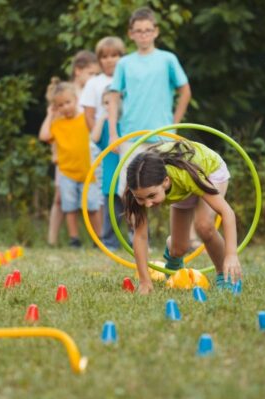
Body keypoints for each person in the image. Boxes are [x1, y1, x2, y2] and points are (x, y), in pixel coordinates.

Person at [124, 140, 242, 295]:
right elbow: (140, 236)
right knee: (179, 248)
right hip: (181, 186)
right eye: (141, 198)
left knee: (204, 226)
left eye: (152, 196)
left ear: (165, 182)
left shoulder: (185, 175)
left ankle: (223, 275)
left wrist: (231, 254)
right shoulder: (139, 187)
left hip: (209, 171)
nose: (147, 204)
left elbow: (227, 212)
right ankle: (173, 258)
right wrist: (145, 281)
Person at [108, 6, 191, 198]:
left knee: (172, 187)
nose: (143, 35)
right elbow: (114, 98)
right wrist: (113, 134)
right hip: (131, 135)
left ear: (156, 31)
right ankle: (137, 229)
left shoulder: (167, 59)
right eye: (139, 31)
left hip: (163, 135)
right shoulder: (124, 63)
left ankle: (177, 228)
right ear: (131, 34)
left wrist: (174, 124)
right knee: (129, 190)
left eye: (148, 30)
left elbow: (185, 91)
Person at [42, 51, 99, 246]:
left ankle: (98, 239)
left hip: (87, 165)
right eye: (91, 73)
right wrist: (51, 114)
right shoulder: (61, 105)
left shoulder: (84, 111)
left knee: (92, 205)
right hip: (66, 166)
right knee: (66, 203)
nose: (94, 78)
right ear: (78, 71)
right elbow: (46, 135)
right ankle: (65, 240)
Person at [91, 87, 123, 250]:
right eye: (105, 103)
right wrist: (102, 118)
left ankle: (136, 240)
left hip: (126, 177)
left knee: (134, 211)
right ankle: (110, 242)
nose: (108, 106)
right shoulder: (104, 127)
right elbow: (94, 138)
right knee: (111, 214)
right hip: (111, 177)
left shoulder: (126, 123)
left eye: (112, 103)